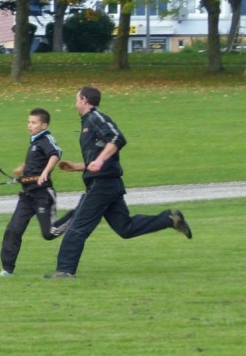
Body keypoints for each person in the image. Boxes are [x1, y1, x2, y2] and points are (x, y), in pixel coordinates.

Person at [44, 86, 192, 279]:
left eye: (76, 99)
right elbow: (99, 156)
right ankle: (170, 219)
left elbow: (117, 138)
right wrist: (77, 166)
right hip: (108, 184)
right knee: (125, 228)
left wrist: (99, 161)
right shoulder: (88, 122)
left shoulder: (96, 118)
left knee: (77, 227)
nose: (75, 103)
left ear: (84, 100)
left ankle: (65, 270)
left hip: (102, 185)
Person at [0, 108, 73, 277]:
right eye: (28, 122)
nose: (29, 125)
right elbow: (37, 160)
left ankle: (78, 213)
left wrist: (45, 173)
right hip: (27, 196)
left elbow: (55, 154)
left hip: (43, 195)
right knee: (13, 230)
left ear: (43, 125)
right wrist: (22, 169)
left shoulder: (46, 139)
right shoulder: (35, 141)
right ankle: (7, 270)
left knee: (49, 233)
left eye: (33, 122)